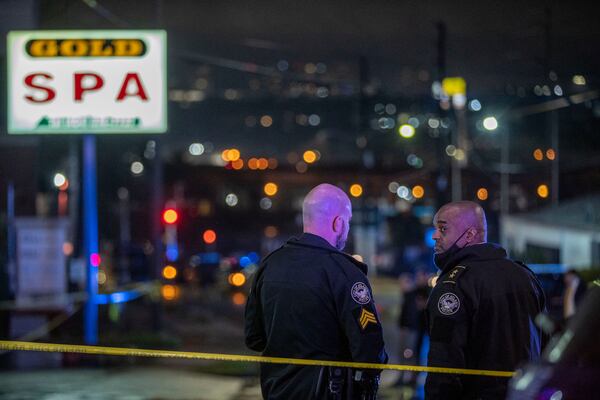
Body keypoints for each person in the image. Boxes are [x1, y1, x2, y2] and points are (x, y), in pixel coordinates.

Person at [245, 183, 388, 399]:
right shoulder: (345, 272)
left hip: (276, 390)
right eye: (347, 222)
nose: (346, 229)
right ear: (338, 223)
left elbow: (254, 337)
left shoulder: (269, 265)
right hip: (329, 391)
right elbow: (369, 349)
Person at [425, 201, 546, 400]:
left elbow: (444, 363)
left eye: (443, 228)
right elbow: (546, 346)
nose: (435, 235)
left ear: (470, 235)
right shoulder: (525, 276)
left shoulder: (455, 284)